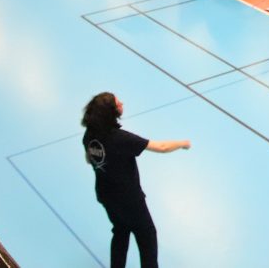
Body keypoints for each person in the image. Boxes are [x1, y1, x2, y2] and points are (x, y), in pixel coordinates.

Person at [81, 92, 190, 268]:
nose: (122, 103)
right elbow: (161, 147)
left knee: (120, 231)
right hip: (129, 200)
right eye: (118, 102)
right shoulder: (119, 138)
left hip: (106, 195)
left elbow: (89, 159)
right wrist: (182, 143)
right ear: (111, 111)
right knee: (147, 236)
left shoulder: (89, 135)